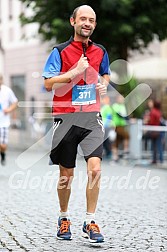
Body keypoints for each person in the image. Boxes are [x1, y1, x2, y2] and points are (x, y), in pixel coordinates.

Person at [42, 5, 110, 243]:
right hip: (65, 117)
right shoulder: (59, 52)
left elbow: (105, 73)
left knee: (95, 169)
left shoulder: (100, 51)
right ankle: (63, 218)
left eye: (91, 20)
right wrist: (74, 72)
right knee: (66, 175)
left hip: (91, 117)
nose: (87, 23)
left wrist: (103, 84)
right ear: (73, 21)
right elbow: (49, 84)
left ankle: (90, 220)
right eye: (83, 19)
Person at [0, 74, 18, 165]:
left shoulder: (7, 91)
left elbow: (15, 102)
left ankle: (2, 153)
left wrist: (9, 109)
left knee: (3, 145)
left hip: (3, 123)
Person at [111, 95, 129, 162]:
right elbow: (120, 115)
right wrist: (128, 119)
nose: (122, 100)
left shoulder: (123, 106)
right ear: (117, 99)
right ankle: (124, 151)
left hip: (122, 125)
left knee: (117, 141)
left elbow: (125, 115)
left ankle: (116, 156)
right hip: (117, 125)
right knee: (126, 136)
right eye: (121, 98)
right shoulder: (115, 106)